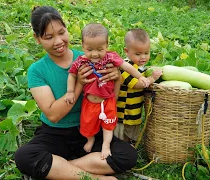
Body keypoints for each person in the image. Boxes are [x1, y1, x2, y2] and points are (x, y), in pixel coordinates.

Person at [14, 6, 138, 180]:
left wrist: (116, 79)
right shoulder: (37, 70)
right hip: (55, 134)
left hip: (90, 131)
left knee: (128, 155)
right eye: (49, 37)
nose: (58, 41)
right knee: (25, 157)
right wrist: (79, 83)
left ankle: (59, 169)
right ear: (37, 38)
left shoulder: (92, 57)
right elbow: (53, 115)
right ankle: (94, 177)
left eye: (61, 32)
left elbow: (111, 100)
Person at [66, 23, 151, 160]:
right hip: (90, 102)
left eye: (100, 49)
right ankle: (90, 139)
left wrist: (140, 76)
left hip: (108, 100)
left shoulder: (110, 57)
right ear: (82, 46)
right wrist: (70, 91)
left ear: (106, 45)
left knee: (109, 124)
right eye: (89, 49)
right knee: (87, 124)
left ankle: (106, 144)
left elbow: (127, 67)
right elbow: (72, 75)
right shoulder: (80, 61)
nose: (95, 54)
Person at [114, 28, 162, 144]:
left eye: (146, 53)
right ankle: (123, 146)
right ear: (127, 51)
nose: (143, 57)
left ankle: (130, 143)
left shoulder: (140, 67)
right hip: (124, 112)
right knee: (123, 134)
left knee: (132, 130)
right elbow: (136, 84)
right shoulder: (125, 67)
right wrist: (152, 78)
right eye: (138, 54)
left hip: (135, 110)